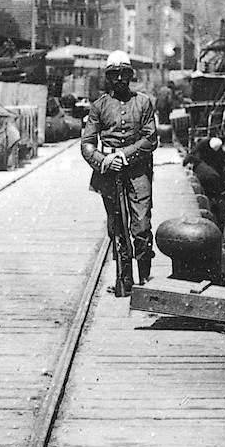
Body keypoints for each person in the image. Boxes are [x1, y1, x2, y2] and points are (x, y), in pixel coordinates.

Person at [81, 50, 158, 296]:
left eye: (124, 74)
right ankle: (124, 281)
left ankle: (145, 277)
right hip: (109, 173)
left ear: (131, 75)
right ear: (108, 77)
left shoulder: (143, 102)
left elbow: (150, 139)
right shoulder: (99, 106)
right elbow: (87, 144)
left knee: (142, 225)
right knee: (117, 228)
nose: (120, 79)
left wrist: (124, 156)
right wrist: (104, 160)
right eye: (114, 75)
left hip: (137, 171)